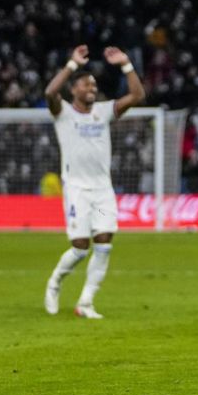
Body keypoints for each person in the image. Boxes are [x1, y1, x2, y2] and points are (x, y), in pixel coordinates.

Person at [43, 45, 145, 319]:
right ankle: (55, 283)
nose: (92, 87)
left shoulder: (103, 110)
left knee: (104, 243)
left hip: (102, 190)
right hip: (77, 189)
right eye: (86, 84)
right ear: (74, 89)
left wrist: (126, 64)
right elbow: (50, 92)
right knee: (80, 247)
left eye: (94, 84)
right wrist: (72, 64)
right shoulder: (63, 112)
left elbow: (137, 95)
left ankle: (86, 302)